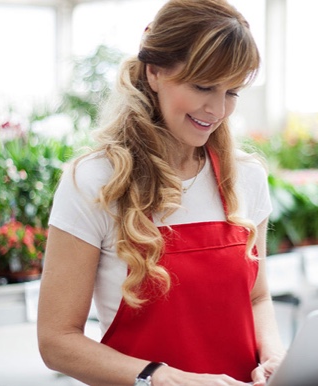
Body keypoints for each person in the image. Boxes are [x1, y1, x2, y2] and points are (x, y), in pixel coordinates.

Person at [37, 1, 285, 385]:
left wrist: (273, 354)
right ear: (154, 72)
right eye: (203, 86)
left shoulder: (246, 178)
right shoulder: (95, 181)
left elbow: (258, 298)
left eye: (232, 92)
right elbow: (57, 340)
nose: (218, 109)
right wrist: (162, 379)